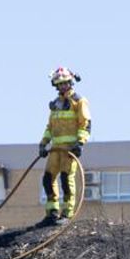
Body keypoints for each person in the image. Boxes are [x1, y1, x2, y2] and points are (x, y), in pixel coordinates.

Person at [38, 66, 91, 225]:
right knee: (48, 179)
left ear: (71, 82)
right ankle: (52, 213)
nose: (63, 86)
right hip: (55, 149)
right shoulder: (55, 105)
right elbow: (50, 127)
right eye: (60, 84)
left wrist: (80, 143)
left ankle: (67, 213)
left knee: (66, 178)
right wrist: (43, 144)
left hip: (70, 149)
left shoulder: (79, 101)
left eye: (65, 83)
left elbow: (85, 124)